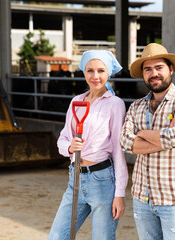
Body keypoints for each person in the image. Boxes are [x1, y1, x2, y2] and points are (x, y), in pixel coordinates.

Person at [120, 43, 175, 240]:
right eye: (148, 69)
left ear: (170, 69)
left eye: (159, 67)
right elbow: (125, 142)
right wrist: (160, 138)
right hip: (142, 198)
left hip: (174, 198)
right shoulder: (136, 106)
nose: (153, 73)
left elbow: (174, 136)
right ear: (143, 75)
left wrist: (142, 133)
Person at [48, 50, 128, 240]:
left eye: (101, 70)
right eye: (90, 70)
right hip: (74, 178)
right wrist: (69, 147)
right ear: (84, 72)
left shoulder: (115, 104)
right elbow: (62, 138)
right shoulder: (76, 102)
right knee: (57, 236)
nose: (95, 76)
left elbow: (118, 152)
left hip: (102, 181)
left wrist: (119, 194)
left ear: (108, 72)